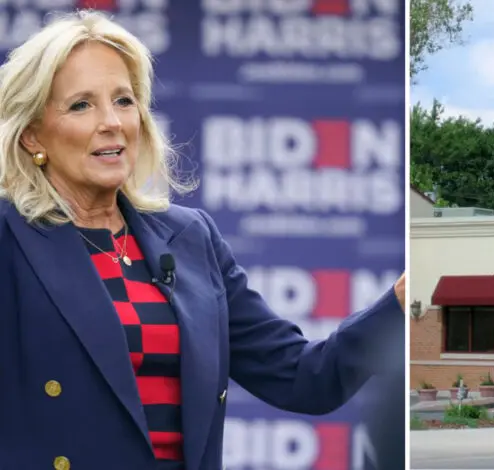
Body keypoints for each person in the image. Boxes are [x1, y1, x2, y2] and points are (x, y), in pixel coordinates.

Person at [0, 10, 406, 470]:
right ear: (33, 134)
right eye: (81, 105)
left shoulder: (191, 236)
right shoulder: (10, 236)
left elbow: (303, 378)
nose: (112, 121)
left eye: (124, 100)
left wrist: (397, 306)